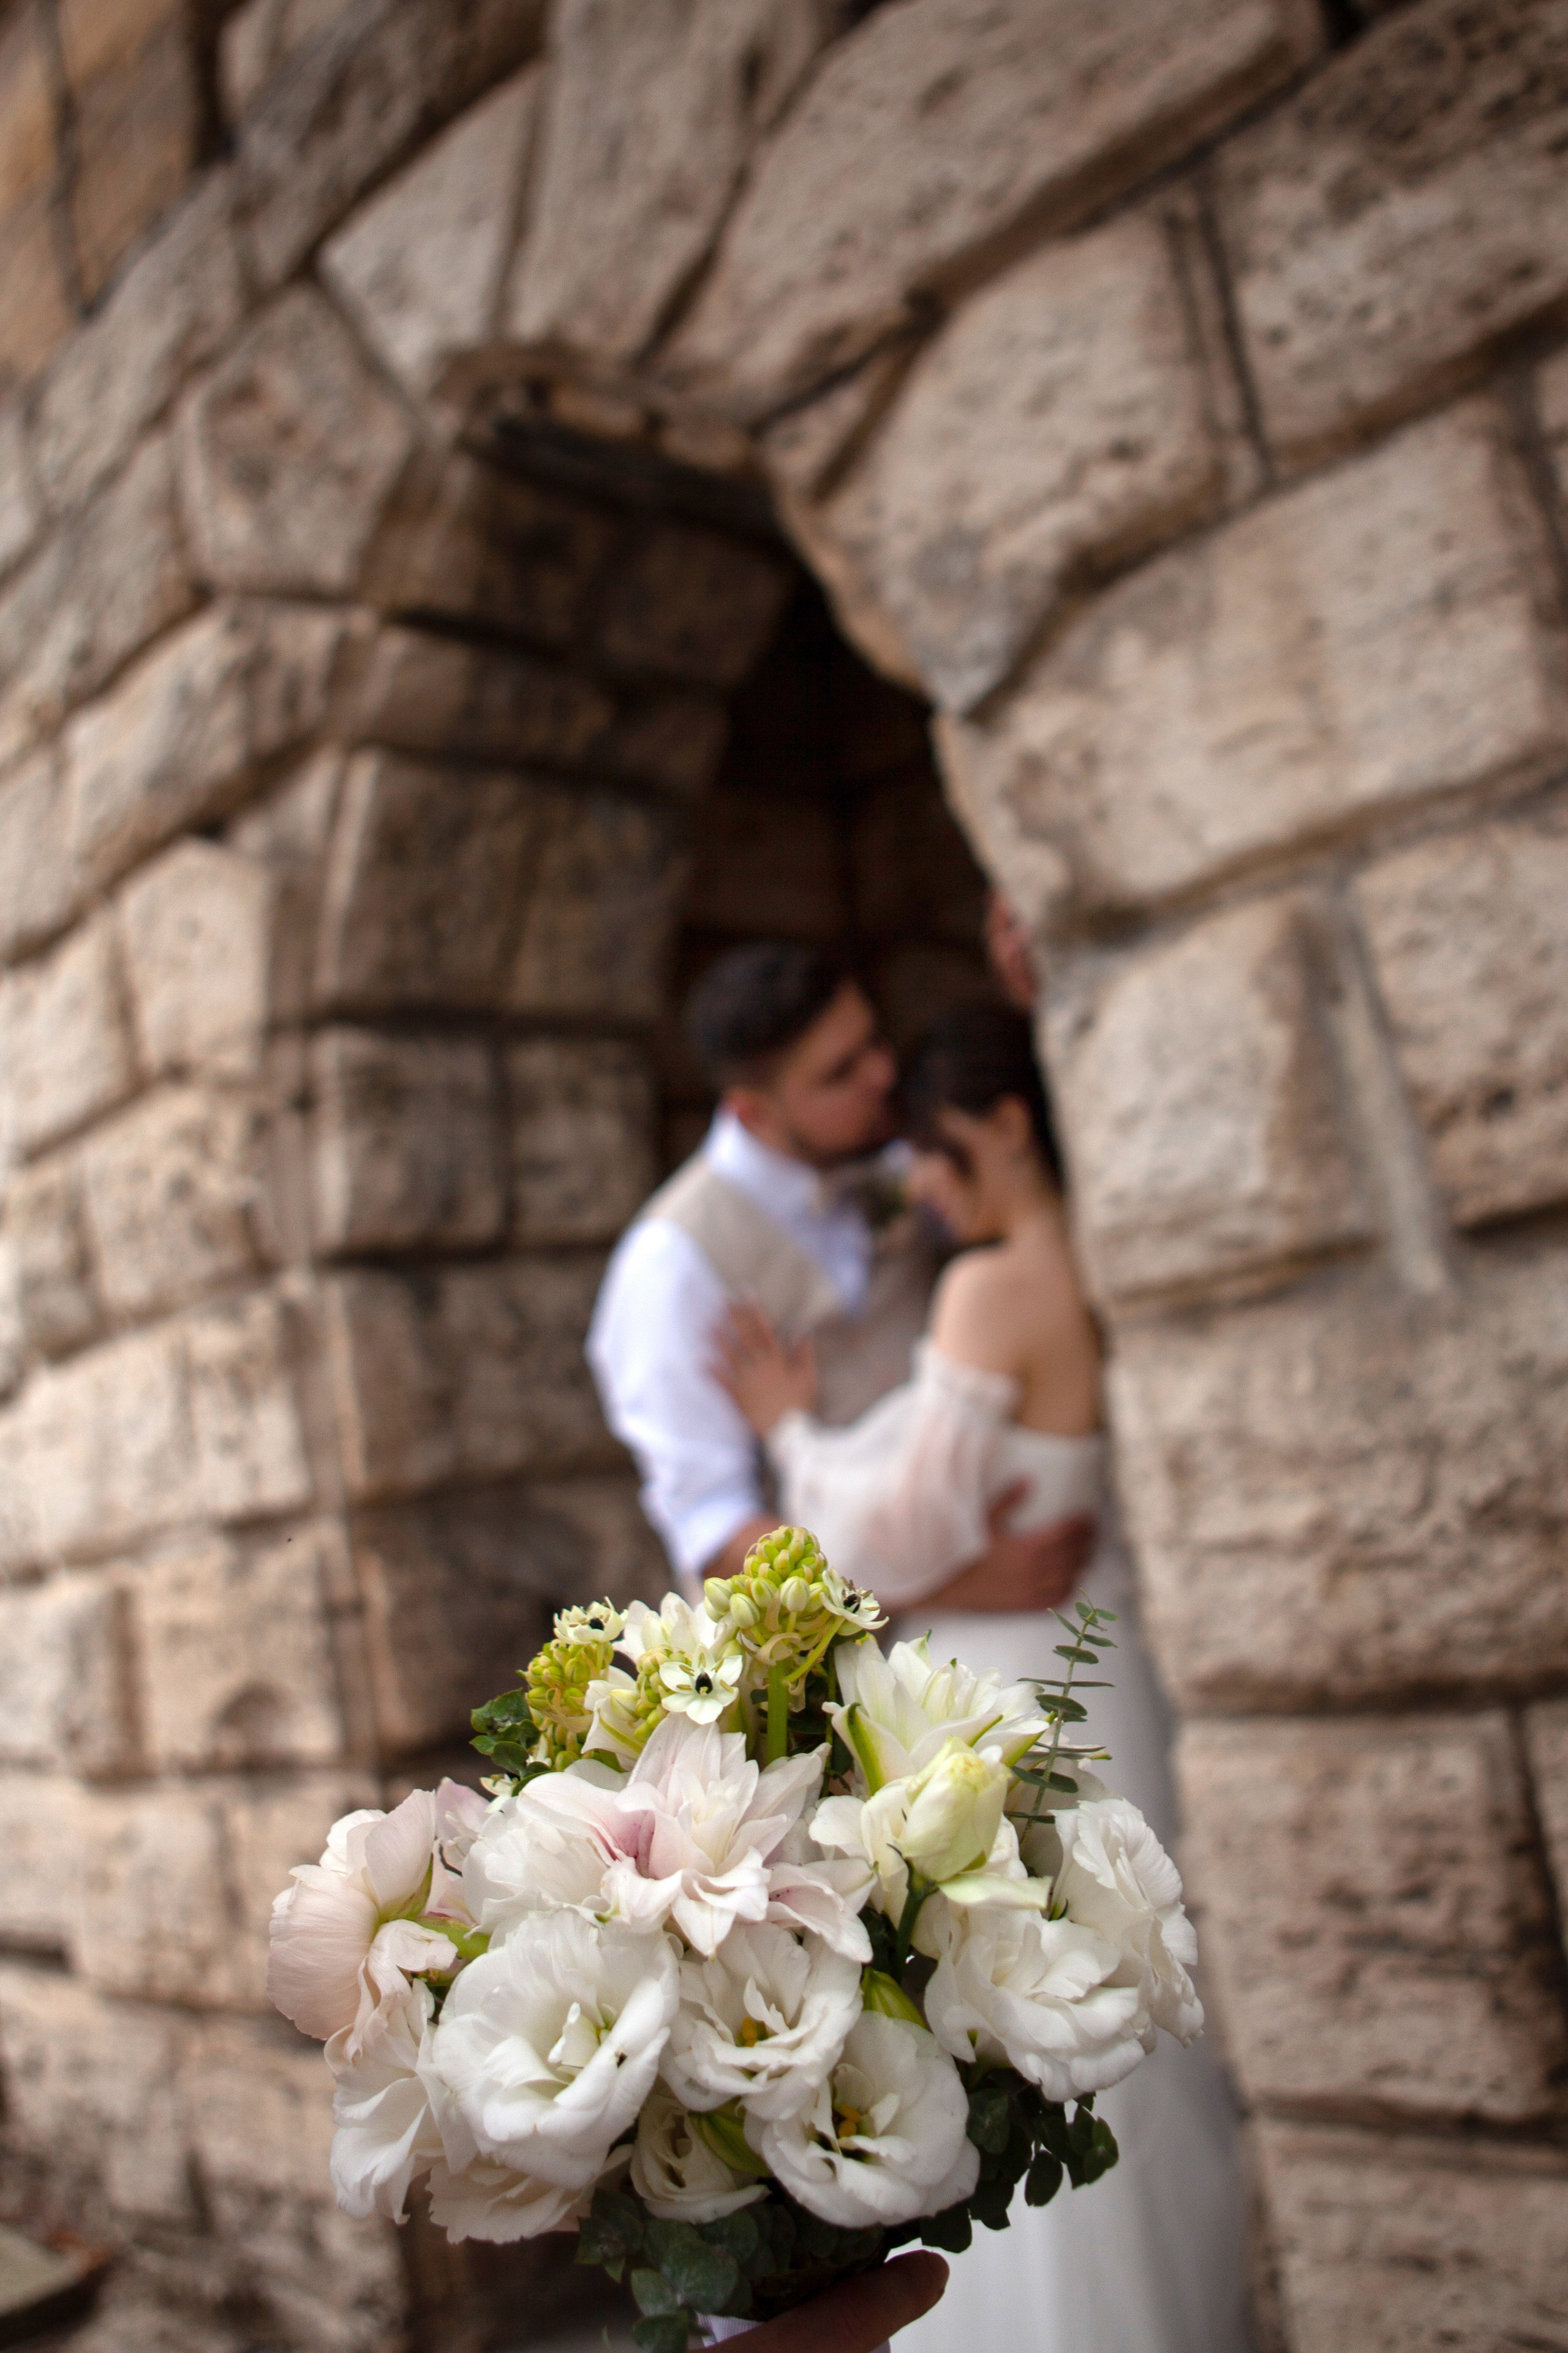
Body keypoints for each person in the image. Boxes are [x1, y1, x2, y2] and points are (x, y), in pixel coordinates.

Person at [715, 999, 1253, 2353]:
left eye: (938, 1152)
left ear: (1008, 1125)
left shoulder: (991, 1285)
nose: (926, 1188)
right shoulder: (1086, 1264)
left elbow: (890, 1533)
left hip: (1014, 1691)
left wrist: (789, 1433)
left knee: (1012, 2008)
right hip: (1100, 1666)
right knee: (1108, 2002)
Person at [586, 943, 1095, 1609]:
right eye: (839, 1073)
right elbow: (714, 1531)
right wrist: (940, 1586)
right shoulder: (671, 1265)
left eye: (873, 1041)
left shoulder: (920, 1166)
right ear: (753, 1112)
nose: (883, 1074)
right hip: (836, 1657)